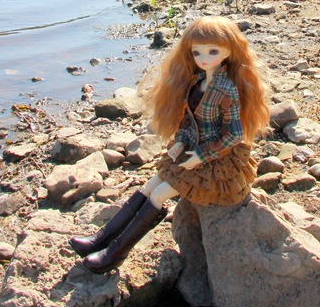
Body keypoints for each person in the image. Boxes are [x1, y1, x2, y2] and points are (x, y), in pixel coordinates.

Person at [70, 15, 270, 274]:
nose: (203, 58)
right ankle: (100, 240)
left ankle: (114, 255)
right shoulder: (198, 82)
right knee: (148, 186)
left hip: (214, 163)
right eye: (197, 52)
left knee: (159, 195)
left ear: (229, 51)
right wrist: (181, 144)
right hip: (189, 152)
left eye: (212, 51)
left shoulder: (226, 89)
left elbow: (233, 134)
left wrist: (200, 155)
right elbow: (192, 122)